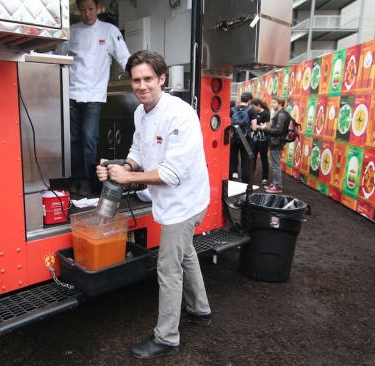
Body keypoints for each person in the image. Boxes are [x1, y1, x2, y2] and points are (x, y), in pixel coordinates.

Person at [96, 50, 211, 359]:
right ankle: (200, 308)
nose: (142, 86)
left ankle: (167, 337)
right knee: (185, 253)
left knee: (168, 267)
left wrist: (128, 178)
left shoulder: (180, 114)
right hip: (170, 201)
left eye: (148, 79)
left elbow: (172, 174)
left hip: (185, 202)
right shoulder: (141, 112)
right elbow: (138, 148)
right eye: (136, 80)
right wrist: (122, 166)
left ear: (162, 79)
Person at [56, 0, 130, 196]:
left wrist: (140, 77)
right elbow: (57, 58)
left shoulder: (109, 31)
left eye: (90, 9)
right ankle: (75, 178)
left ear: (97, 8)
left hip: (94, 95)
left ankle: (87, 181)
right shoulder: (71, 31)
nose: (87, 13)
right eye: (82, 9)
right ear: (78, 10)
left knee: (89, 138)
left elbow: (125, 59)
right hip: (71, 93)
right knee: (73, 139)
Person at [229, 92, 257, 183]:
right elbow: (254, 127)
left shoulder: (232, 110)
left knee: (232, 158)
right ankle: (245, 182)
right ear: (249, 100)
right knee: (245, 161)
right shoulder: (251, 111)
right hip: (246, 139)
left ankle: (231, 178)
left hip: (233, 139)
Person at [264, 96, 290, 193]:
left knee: (275, 165)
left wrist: (266, 129)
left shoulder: (281, 115)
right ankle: (275, 183)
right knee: (274, 164)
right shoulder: (280, 114)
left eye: (274, 102)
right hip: (275, 142)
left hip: (277, 142)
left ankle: (278, 186)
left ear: (280, 103)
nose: (272, 104)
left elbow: (278, 130)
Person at [250, 98, 271, 185]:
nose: (253, 108)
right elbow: (251, 126)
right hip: (255, 138)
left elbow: (265, 126)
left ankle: (265, 177)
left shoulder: (266, 113)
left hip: (264, 139)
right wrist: (256, 126)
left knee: (263, 158)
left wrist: (256, 126)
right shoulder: (253, 113)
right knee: (252, 157)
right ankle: (250, 176)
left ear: (258, 105)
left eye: (254, 106)